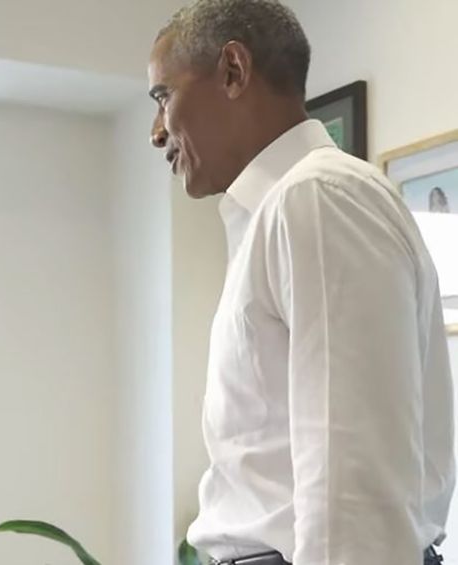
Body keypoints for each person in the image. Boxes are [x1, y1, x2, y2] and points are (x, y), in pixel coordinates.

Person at [148, 1, 455, 564]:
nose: (157, 130)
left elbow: (353, 504)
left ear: (233, 71)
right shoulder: (286, 209)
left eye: (163, 96)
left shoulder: (316, 198)